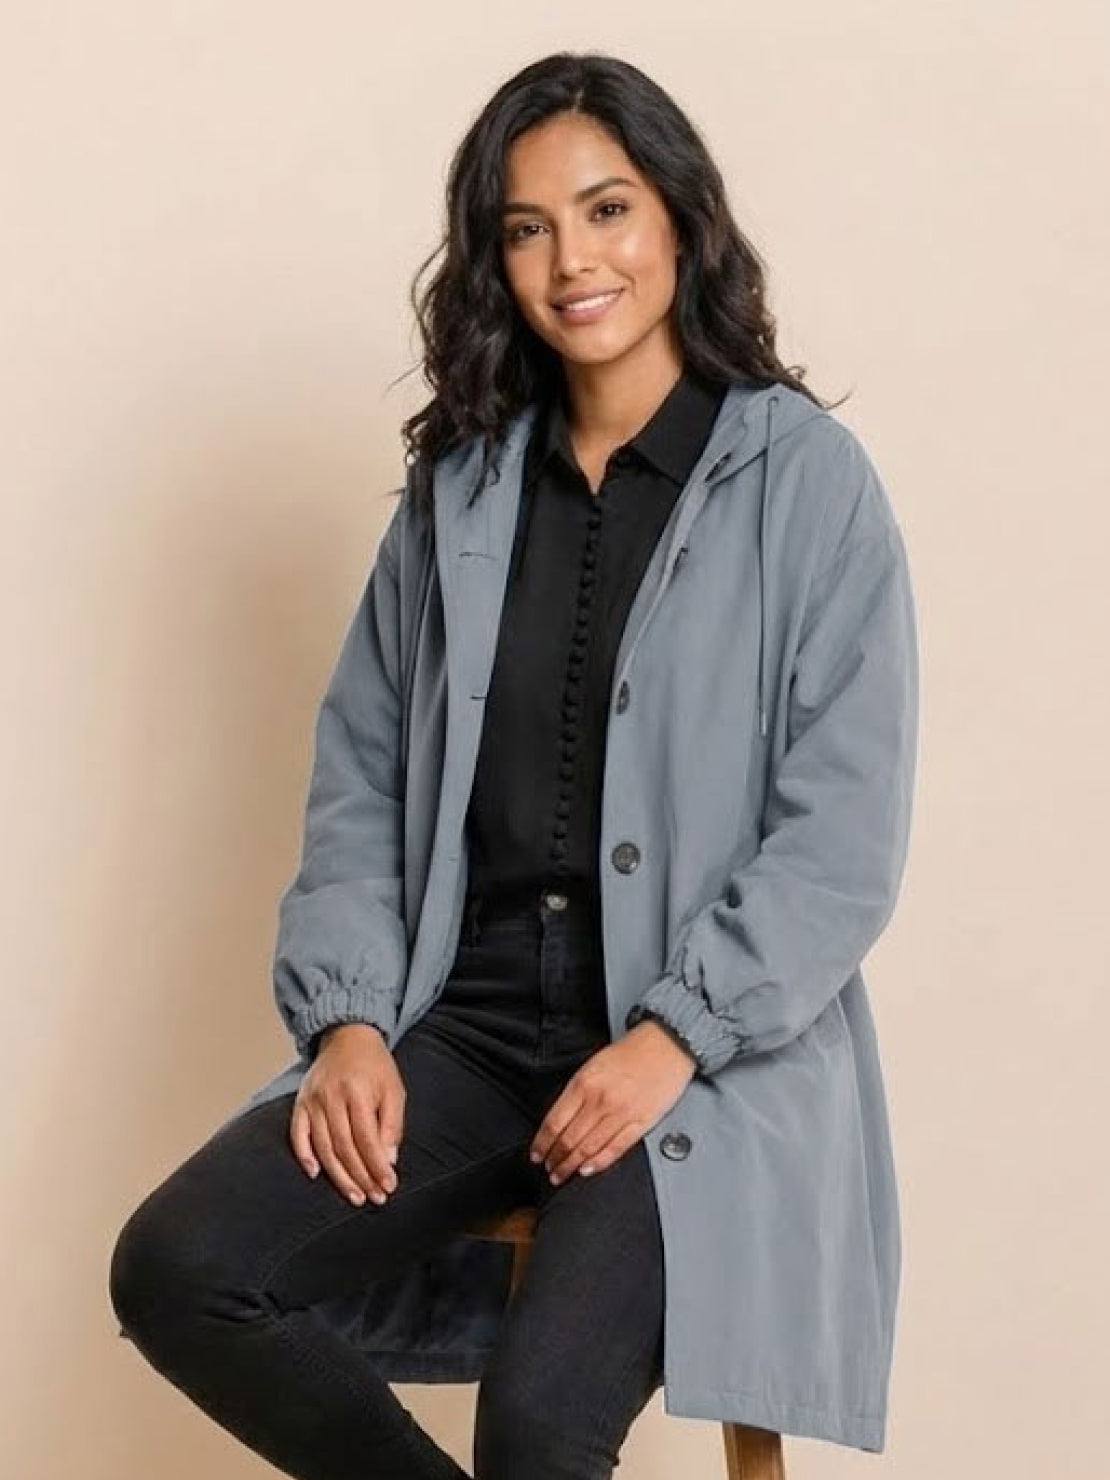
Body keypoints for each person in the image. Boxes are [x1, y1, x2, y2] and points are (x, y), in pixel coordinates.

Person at [109, 50, 918, 1478]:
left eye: (606, 211)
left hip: (694, 1061)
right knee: (181, 1267)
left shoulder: (805, 483)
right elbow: (362, 776)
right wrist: (350, 1022)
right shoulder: (459, 487)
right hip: (469, 1031)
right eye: (527, 228)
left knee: (538, 1426)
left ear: (680, 219)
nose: (572, 261)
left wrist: (672, 1036)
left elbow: (839, 836)